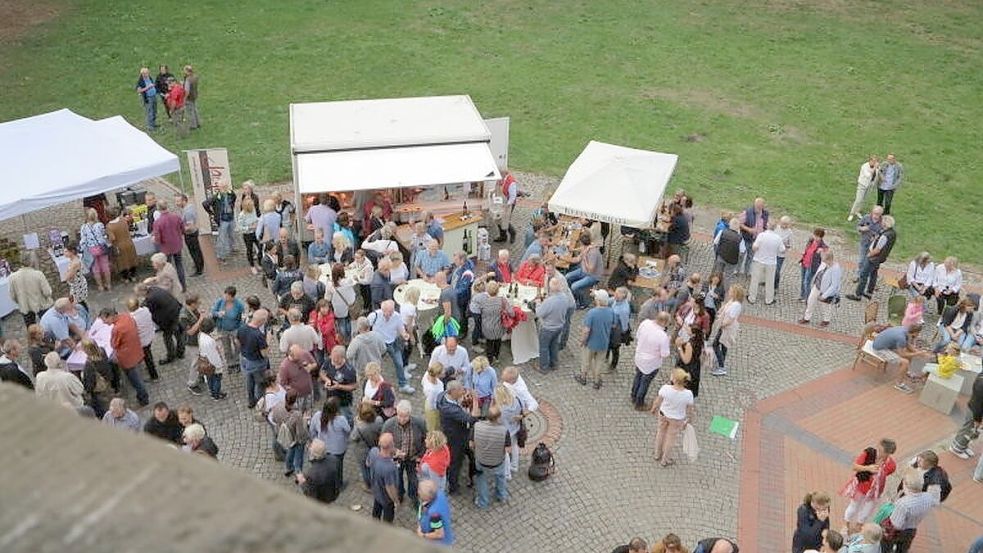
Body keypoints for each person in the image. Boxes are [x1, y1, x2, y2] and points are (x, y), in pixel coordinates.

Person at [840, 438, 898, 536]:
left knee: (867, 510)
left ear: (887, 452)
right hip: (861, 487)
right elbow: (855, 466)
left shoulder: (891, 465)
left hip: (875, 492)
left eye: (881, 451)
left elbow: (885, 475)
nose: (878, 452)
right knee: (853, 507)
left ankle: (859, 525)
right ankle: (846, 524)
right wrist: (868, 468)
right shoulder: (869, 453)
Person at [381, 399, 427, 507]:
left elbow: (426, 439)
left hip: (413, 458)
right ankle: (400, 495)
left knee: (414, 481)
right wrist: (394, 451)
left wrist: (420, 456)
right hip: (397, 459)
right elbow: (382, 442)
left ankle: (414, 498)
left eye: (405, 416)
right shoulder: (389, 424)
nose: (402, 419)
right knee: (398, 479)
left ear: (410, 415)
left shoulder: (419, 423)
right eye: (400, 415)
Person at [437, 380, 479, 495]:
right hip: (456, 439)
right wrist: (475, 400)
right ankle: (453, 487)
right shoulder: (451, 410)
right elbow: (472, 419)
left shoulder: (442, 396)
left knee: (471, 455)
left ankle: (474, 473)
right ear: (453, 392)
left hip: (459, 434)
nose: (463, 391)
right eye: (460, 389)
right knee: (455, 463)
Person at [882, 472, 939, 552]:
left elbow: (897, 524)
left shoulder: (902, 503)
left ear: (906, 485)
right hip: (912, 529)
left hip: (897, 532)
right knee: (903, 549)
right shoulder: (928, 497)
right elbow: (936, 501)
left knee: (886, 547)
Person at [650, 368, 695, 467]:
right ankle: (665, 459)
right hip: (677, 419)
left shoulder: (666, 388)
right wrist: (689, 420)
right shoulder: (688, 394)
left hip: (663, 414)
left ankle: (657, 454)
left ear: (674, 379)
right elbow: (690, 410)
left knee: (660, 432)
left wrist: (653, 409)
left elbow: (658, 401)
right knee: (671, 438)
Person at [369, 300, 415, 394]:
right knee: (376, 365)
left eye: (391, 312)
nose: (389, 315)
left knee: (399, 363)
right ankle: (375, 385)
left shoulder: (397, 316)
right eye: (387, 312)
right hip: (379, 343)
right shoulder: (374, 316)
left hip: (392, 342)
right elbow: (366, 327)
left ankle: (403, 385)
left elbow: (401, 328)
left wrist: (404, 335)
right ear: (382, 309)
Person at [870, 324, 930, 394]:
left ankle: (905, 372)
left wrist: (919, 352)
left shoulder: (905, 330)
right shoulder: (901, 337)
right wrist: (918, 354)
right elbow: (902, 354)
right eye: (918, 333)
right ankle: (899, 384)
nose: (918, 335)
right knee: (905, 362)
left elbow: (907, 345)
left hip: (884, 344)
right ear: (915, 332)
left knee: (909, 354)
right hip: (879, 349)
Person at [847, 215, 896, 301]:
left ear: (885, 223)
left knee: (863, 275)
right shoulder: (892, 233)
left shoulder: (885, 236)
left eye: (882, 221)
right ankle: (869, 292)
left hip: (874, 258)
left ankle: (858, 295)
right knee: (873, 274)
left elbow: (877, 249)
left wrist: (869, 255)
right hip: (880, 258)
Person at [108, 308, 150, 406]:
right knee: (137, 373)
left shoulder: (117, 329)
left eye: (105, 320)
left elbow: (114, 344)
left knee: (135, 379)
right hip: (136, 350)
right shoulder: (126, 316)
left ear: (110, 316)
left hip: (127, 358)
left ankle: (143, 397)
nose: (105, 323)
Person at [575, 289, 616, 390]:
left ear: (598, 300)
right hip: (604, 343)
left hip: (590, 343)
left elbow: (586, 330)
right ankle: (596, 381)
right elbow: (614, 325)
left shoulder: (592, 313)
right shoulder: (611, 311)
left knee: (586, 361)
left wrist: (582, 341)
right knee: (599, 362)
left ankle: (583, 377)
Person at [471, 405, 510, 509]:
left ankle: (483, 502)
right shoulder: (504, 431)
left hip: (481, 461)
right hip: (498, 462)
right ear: (498, 417)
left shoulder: (477, 426)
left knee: (481, 479)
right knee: (500, 477)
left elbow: (471, 444)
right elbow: (507, 450)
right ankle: (501, 496)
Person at [308, 396, 350, 490]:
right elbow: (348, 430)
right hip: (338, 450)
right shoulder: (341, 419)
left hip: (323, 449)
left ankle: (326, 483)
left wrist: (316, 441)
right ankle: (338, 485)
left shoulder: (317, 415)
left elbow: (312, 431)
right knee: (338, 468)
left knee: (323, 467)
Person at [137, 282, 184, 363]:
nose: (138, 295)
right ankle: (181, 352)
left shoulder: (150, 298)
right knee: (178, 332)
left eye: (139, 293)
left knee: (167, 337)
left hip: (169, 318)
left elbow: (148, 310)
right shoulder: (154, 288)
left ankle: (171, 356)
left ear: (142, 291)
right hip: (175, 309)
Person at [799, 250, 843, 328]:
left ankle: (826, 320)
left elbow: (834, 285)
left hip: (825, 290)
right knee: (810, 301)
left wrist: (824, 295)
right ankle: (806, 317)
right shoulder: (824, 264)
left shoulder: (836, 269)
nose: (822, 260)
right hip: (817, 286)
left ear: (829, 259)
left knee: (825, 306)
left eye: (824, 259)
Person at [270, 389, 309, 477]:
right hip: (295, 438)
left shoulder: (278, 406)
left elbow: (273, 419)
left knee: (289, 451)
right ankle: (298, 474)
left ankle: (288, 468)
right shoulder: (297, 415)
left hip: (285, 436)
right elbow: (300, 433)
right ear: (295, 400)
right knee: (298, 458)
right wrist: (305, 421)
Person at [8, 253, 53, 328]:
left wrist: (21, 300)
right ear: (32, 261)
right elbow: (47, 292)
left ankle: (34, 339)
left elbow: (12, 296)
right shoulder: (38, 274)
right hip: (41, 304)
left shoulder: (12, 277)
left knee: (31, 329)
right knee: (48, 325)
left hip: (25, 305)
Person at [237, 309, 270, 408]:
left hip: (244, 359)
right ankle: (260, 404)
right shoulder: (258, 335)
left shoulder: (242, 328)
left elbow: (237, 342)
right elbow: (264, 353)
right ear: (263, 321)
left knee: (249, 380)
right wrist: (268, 339)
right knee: (260, 384)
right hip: (257, 363)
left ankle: (251, 401)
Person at [535, 277, 569, 373]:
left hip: (548, 328)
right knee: (554, 345)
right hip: (559, 326)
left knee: (544, 347)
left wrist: (538, 303)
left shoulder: (550, 301)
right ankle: (554, 364)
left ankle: (543, 367)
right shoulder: (565, 297)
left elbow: (539, 313)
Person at [152, 200, 187, 291]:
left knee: (167, 268)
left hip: (165, 248)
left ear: (158, 209)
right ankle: (183, 286)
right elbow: (183, 229)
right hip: (177, 244)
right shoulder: (176, 217)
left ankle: (170, 287)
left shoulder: (157, 222)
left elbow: (158, 239)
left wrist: (154, 240)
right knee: (179, 265)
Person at [711, 285, 745, 377]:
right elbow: (724, 307)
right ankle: (721, 361)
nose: (728, 292)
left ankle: (722, 367)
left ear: (735, 293)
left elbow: (730, 320)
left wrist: (721, 324)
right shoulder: (732, 301)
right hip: (725, 326)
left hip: (726, 328)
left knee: (715, 344)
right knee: (724, 345)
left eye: (730, 291)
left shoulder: (736, 305)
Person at [747, 222, 785, 305]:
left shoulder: (761, 235)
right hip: (771, 262)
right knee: (770, 281)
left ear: (767, 226)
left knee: (755, 280)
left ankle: (752, 298)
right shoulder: (778, 238)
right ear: (775, 228)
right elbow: (782, 250)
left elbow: (755, 247)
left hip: (759, 260)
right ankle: (769, 299)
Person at [351, 403, 384, 490]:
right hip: (375, 447)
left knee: (365, 469)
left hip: (363, 451)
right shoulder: (379, 420)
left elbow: (353, 437)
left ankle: (368, 485)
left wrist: (356, 422)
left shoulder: (359, 427)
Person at [126, 296, 160, 382]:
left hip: (142, 341)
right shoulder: (145, 310)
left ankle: (154, 376)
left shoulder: (131, 318)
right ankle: (150, 363)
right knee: (148, 352)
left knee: (147, 358)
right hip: (150, 335)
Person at [473, 282, 508, 365]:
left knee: (489, 344)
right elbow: (511, 312)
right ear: (498, 290)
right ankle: (496, 357)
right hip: (499, 327)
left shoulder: (483, 302)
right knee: (498, 342)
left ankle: (490, 360)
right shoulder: (502, 300)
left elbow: (477, 312)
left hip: (487, 327)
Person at [566, 234, 605, 308]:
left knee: (574, 286)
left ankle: (583, 303)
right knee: (567, 276)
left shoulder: (593, 253)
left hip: (593, 276)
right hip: (583, 270)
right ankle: (573, 296)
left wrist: (585, 259)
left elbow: (591, 269)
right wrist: (563, 257)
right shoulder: (586, 248)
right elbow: (577, 259)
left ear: (581, 242)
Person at [950, 371, 983, 459]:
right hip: (975, 411)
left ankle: (963, 446)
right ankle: (957, 448)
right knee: (968, 430)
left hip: (975, 410)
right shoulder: (981, 384)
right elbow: (978, 404)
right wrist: (978, 419)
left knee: (970, 430)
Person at [296, 438, 340, 504]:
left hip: (321, 500)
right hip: (332, 493)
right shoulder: (334, 459)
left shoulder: (311, 474)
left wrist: (302, 482)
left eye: (310, 447)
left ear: (314, 454)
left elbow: (310, 494)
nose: (309, 448)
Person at [79, 208, 112, 292]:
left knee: (95, 269)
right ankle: (108, 284)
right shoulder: (100, 225)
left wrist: (82, 249)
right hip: (101, 248)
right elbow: (104, 236)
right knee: (105, 266)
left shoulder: (83, 227)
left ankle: (100, 286)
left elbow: (83, 240)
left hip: (91, 250)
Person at [416, 478, 454, 545]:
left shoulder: (434, 514)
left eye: (420, 490)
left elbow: (439, 534)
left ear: (426, 496)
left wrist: (423, 535)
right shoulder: (439, 494)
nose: (418, 491)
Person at [737, 197, 769, 275]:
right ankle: (737, 270)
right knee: (741, 255)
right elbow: (740, 224)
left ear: (763, 206)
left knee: (751, 257)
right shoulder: (747, 212)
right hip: (746, 238)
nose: (758, 208)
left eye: (760, 207)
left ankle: (746, 272)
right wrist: (748, 229)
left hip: (756, 240)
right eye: (757, 206)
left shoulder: (765, 214)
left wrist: (764, 231)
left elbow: (765, 225)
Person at [197, 318, 227, 400]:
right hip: (212, 364)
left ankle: (212, 392)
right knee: (217, 379)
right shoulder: (210, 341)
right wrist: (219, 365)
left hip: (204, 361)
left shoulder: (201, 335)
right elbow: (214, 355)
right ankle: (216, 395)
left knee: (210, 378)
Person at [106, 207, 138, 282]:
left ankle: (126, 278)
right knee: (131, 259)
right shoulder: (123, 220)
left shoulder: (109, 226)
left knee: (122, 262)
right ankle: (133, 276)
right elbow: (130, 221)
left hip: (119, 246)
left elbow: (112, 238)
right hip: (129, 243)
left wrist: (109, 240)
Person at [799, 228, 828, 302]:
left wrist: (822, 250)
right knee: (803, 280)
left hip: (812, 266)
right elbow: (807, 249)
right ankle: (802, 295)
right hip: (805, 262)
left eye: (817, 236)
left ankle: (807, 298)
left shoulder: (822, 245)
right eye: (815, 235)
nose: (815, 237)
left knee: (807, 281)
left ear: (821, 237)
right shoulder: (811, 240)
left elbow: (827, 249)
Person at [849, 155, 880, 221]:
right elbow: (868, 175)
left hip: (869, 186)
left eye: (875, 161)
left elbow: (876, 177)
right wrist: (874, 168)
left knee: (864, 200)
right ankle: (851, 213)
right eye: (873, 161)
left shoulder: (877, 168)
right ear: (870, 161)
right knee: (858, 200)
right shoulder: (864, 166)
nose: (874, 163)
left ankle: (857, 211)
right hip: (862, 185)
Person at [607, 286, 632, 370]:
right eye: (615, 293)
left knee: (615, 347)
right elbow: (607, 301)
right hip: (611, 326)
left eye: (617, 294)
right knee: (608, 342)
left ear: (623, 295)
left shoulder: (624, 309)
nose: (615, 295)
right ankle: (606, 356)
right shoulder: (616, 300)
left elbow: (625, 323)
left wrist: (623, 333)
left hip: (617, 329)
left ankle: (613, 364)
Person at [854, 206, 883, 273]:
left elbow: (883, 234)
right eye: (874, 213)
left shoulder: (882, 222)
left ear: (881, 214)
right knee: (861, 260)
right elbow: (858, 227)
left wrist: (876, 237)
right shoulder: (866, 217)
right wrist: (862, 228)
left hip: (873, 247)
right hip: (864, 242)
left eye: (878, 214)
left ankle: (866, 275)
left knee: (869, 261)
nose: (875, 216)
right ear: (872, 212)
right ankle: (859, 275)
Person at [234, 197, 259, 273]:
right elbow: (240, 227)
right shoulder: (242, 215)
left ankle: (259, 263)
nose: (252, 207)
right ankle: (252, 266)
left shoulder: (253, 210)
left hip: (255, 232)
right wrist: (249, 227)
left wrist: (257, 222)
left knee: (260, 247)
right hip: (247, 235)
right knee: (250, 250)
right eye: (251, 206)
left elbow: (255, 218)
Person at [182, 65, 200, 130]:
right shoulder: (195, 77)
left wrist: (184, 98)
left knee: (190, 111)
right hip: (195, 95)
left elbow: (187, 91)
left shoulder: (188, 80)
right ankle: (198, 122)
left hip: (189, 97)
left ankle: (193, 125)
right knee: (195, 109)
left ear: (187, 71)